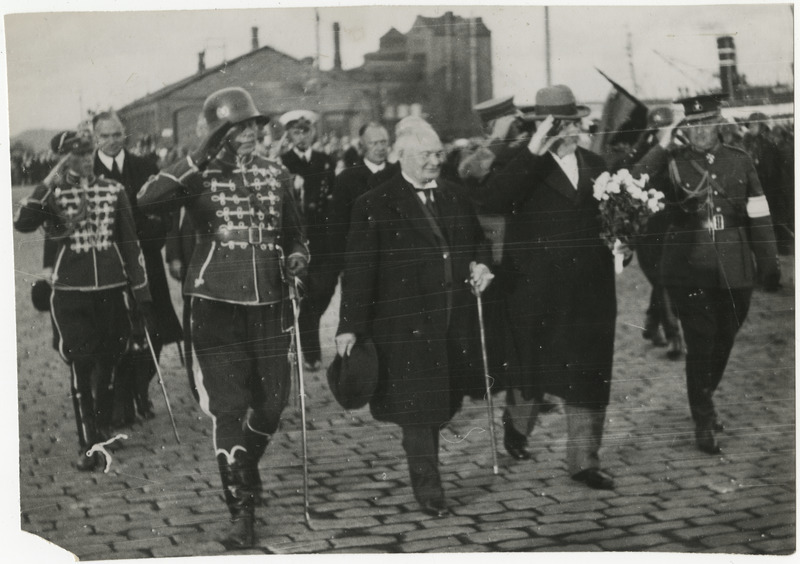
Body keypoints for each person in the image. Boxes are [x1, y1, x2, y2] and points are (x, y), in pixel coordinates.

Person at [137, 87, 309, 549]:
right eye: (238, 127)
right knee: (228, 407)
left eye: (253, 125)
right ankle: (241, 510)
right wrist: (194, 157)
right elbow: (148, 201)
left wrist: (295, 257)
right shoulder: (197, 175)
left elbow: (296, 234)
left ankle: (244, 467)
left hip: (270, 304)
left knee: (272, 405)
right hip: (215, 304)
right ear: (219, 134)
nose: (250, 133)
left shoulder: (277, 174)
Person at [335, 120, 494, 517]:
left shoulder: (456, 199)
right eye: (425, 155)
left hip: (450, 322)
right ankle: (429, 488)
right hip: (403, 325)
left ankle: (424, 461)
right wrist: (349, 325)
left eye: (438, 154)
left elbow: (479, 244)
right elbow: (358, 270)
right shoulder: (375, 203)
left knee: (441, 404)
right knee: (418, 410)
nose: (435, 162)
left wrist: (482, 266)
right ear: (400, 156)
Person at [480, 84, 626, 490]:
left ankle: (583, 461)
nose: (569, 130)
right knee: (534, 367)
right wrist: (533, 152)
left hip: (591, 289)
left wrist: (623, 241)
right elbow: (493, 200)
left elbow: (615, 217)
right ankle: (517, 426)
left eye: (573, 122)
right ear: (540, 124)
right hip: (536, 287)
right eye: (558, 123)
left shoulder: (596, 164)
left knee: (589, 371)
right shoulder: (520, 163)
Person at [634, 94, 781, 455]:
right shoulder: (672, 162)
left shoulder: (740, 160)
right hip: (688, 267)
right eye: (693, 125)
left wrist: (769, 261)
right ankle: (704, 419)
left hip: (734, 267)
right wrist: (662, 145)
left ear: (719, 124)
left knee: (724, 338)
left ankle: (704, 398)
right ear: (685, 127)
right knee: (701, 341)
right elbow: (634, 180)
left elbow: (759, 213)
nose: (700, 132)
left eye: (707, 123)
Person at [14, 130, 153, 471]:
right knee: (81, 363)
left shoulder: (113, 190)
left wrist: (141, 291)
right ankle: (87, 442)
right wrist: (47, 182)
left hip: (110, 286)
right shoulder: (53, 193)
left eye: (89, 152)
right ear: (63, 158)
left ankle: (102, 429)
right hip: (70, 290)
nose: (86, 159)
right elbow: (23, 223)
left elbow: (130, 242)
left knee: (108, 360)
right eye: (77, 154)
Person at [91, 111, 183, 424]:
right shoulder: (88, 170)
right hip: (104, 266)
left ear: (125, 135)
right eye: (105, 136)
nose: (112, 141)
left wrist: (155, 238)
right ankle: (119, 399)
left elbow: (166, 208)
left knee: (153, 328)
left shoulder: (144, 166)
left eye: (116, 134)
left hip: (146, 260)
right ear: (95, 138)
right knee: (114, 332)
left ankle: (141, 388)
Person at [610, 106, 684, 359]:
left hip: (672, 227)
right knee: (663, 280)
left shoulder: (678, 151)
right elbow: (635, 177)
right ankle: (675, 336)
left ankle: (652, 325)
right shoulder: (641, 154)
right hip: (648, 231)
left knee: (664, 280)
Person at [279, 110, 336, 370]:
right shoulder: (283, 162)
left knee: (324, 290)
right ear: (288, 134)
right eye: (296, 132)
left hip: (323, 237)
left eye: (306, 131)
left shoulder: (325, 160)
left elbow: (332, 195)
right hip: (296, 237)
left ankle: (305, 331)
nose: (302, 137)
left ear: (313, 132)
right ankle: (311, 351)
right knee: (303, 291)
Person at [327, 122, 399, 279]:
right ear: (362, 146)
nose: (380, 148)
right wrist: (344, 263)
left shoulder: (398, 174)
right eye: (373, 143)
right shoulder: (347, 178)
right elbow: (338, 225)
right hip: (360, 261)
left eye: (383, 142)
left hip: (395, 260)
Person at [743, 112, 790, 255]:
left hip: (769, 186)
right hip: (765, 185)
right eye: (749, 125)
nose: (750, 128)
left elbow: (769, 171)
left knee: (771, 217)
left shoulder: (766, 143)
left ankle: (780, 248)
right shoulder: (756, 141)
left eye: (753, 125)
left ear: (762, 126)